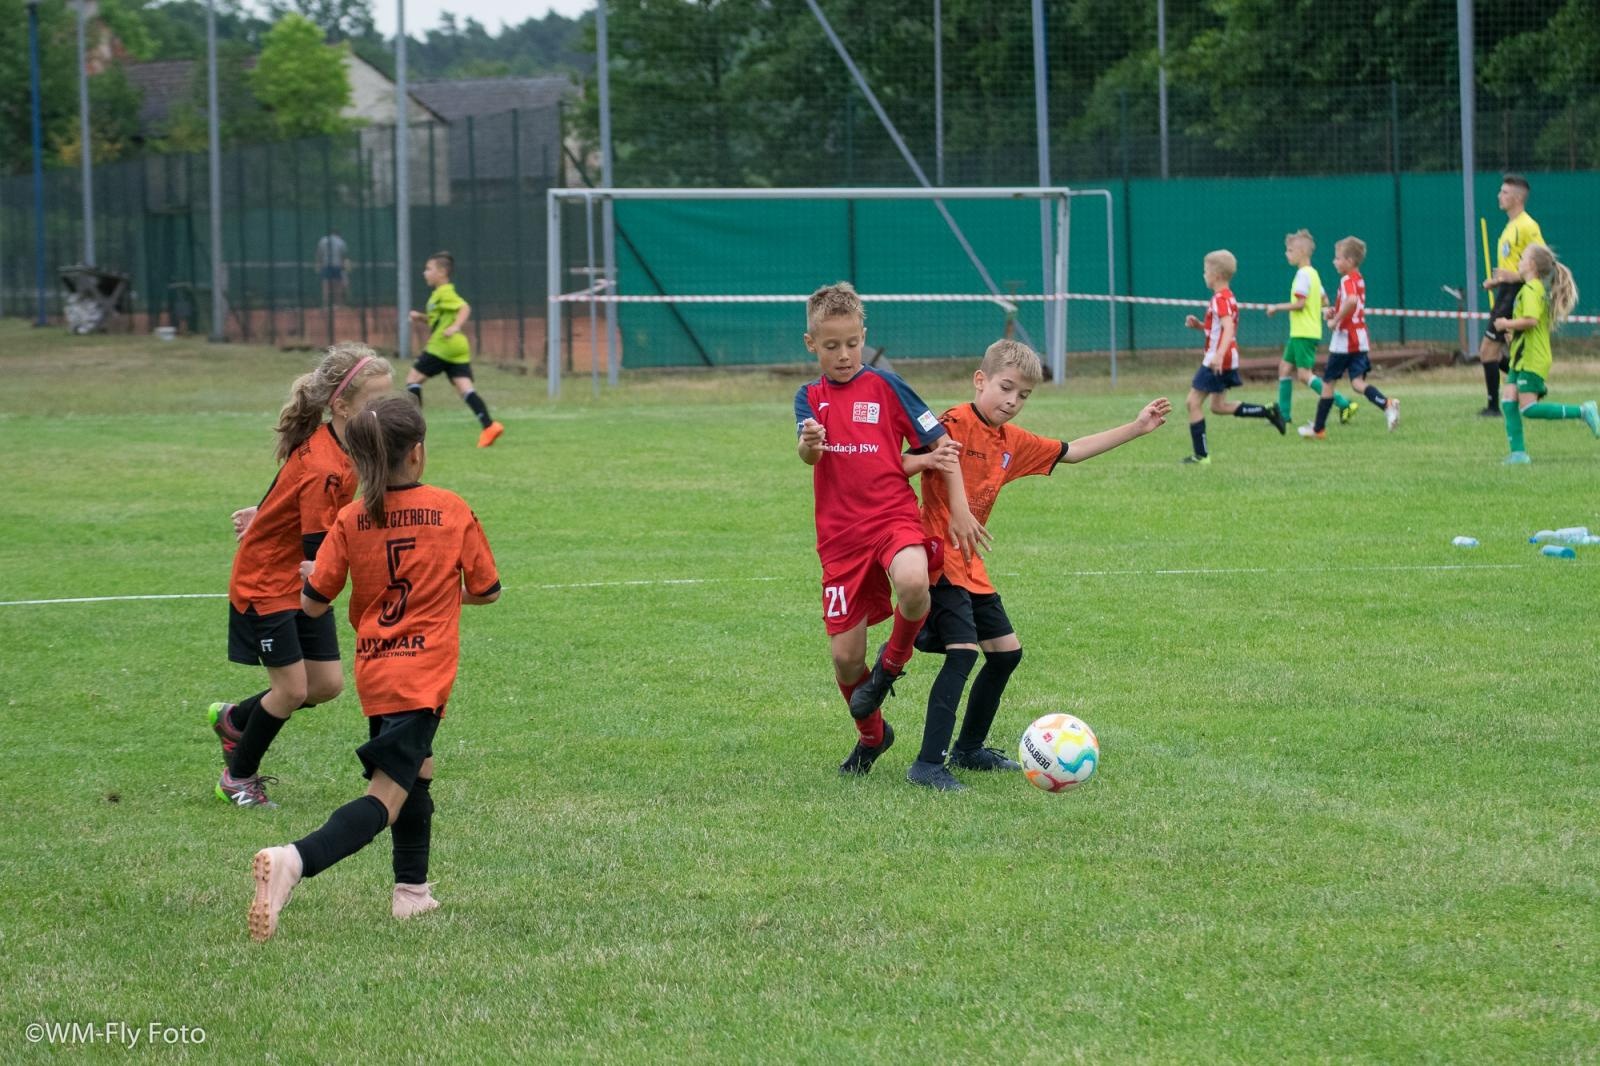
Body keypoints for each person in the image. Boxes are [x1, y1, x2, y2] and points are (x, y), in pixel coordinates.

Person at [248, 396, 501, 940]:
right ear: (417, 453)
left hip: (378, 673)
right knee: (386, 797)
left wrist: (314, 571)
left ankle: (412, 893)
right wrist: (440, 592)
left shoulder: (351, 517)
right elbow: (487, 590)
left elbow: (314, 603)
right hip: (424, 675)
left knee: (417, 774)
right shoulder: (451, 509)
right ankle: (294, 860)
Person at [907, 340, 1170, 791]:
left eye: (1024, 395)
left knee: (1007, 653)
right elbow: (905, 462)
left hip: (971, 566)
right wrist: (936, 478)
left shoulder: (1012, 442)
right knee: (964, 653)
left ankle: (969, 750)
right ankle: (928, 764)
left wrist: (1137, 427)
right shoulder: (952, 421)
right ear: (980, 380)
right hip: (935, 560)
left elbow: (1073, 451)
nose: (1013, 401)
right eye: (1006, 388)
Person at [212, 344, 394, 808]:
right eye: (375, 402)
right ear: (342, 405)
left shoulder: (350, 444)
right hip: (268, 582)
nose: (384, 410)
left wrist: (265, 510)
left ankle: (237, 721)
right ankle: (237, 778)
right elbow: (318, 550)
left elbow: (289, 494)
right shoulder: (325, 465)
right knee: (291, 689)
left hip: (301, 579)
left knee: (326, 686)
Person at [794, 281, 960, 777]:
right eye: (831, 346)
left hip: (892, 518)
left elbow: (940, 444)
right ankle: (874, 734)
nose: (843, 355)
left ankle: (892, 665)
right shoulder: (809, 398)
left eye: (851, 343)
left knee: (912, 580)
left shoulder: (888, 386)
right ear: (811, 345)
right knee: (846, 660)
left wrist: (956, 501)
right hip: (840, 540)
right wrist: (811, 442)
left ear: (863, 334)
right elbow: (807, 457)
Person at [1493, 243, 1597, 463]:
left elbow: (1531, 321)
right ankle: (1518, 454)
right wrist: (1513, 332)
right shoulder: (1533, 288)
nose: (1518, 262)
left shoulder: (1532, 290)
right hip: (1521, 358)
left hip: (1532, 358)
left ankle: (1583, 411)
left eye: (1522, 258)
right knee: (1509, 401)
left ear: (1531, 265)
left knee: (1529, 408)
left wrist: (1505, 324)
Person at [1181, 249, 1286, 465]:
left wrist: (1218, 355)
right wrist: (1200, 326)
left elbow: (1228, 328)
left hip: (1217, 359)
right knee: (1218, 406)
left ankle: (1201, 456)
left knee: (1192, 402)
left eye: (1205, 271)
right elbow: (1220, 328)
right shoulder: (1228, 297)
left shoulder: (1220, 299)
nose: (1204, 275)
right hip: (1228, 357)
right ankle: (1266, 411)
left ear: (1216, 275)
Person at [1299, 236, 1400, 439]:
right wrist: (1335, 311)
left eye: (1338, 258)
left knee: (1328, 384)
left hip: (1345, 340)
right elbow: (1351, 303)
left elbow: (1352, 301)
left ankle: (1318, 429)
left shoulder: (1347, 280)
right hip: (1360, 338)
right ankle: (1386, 404)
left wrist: (1335, 319)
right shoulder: (1359, 278)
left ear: (1350, 261)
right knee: (1356, 383)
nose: (1334, 262)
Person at [406, 251, 505, 448]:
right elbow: (441, 319)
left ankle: (415, 433)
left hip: (443, 345)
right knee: (465, 388)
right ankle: (489, 426)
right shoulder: (438, 294)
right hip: (457, 347)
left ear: (442, 272)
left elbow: (464, 307)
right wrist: (422, 318)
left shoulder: (445, 292)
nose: (425, 273)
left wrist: (456, 326)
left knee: (412, 381)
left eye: (429, 269)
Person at [1265, 229, 1354, 427]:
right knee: (1284, 368)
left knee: (1304, 375)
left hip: (1304, 333)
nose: (1286, 254)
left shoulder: (1303, 275)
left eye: (1289, 250)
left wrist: (1276, 307)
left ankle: (1343, 403)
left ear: (1302, 252)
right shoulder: (1313, 274)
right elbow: (1323, 297)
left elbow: (1300, 304)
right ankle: (1284, 416)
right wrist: (1324, 311)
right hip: (1300, 332)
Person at [1477, 175, 1545, 417]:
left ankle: (1494, 407)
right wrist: (1497, 280)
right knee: (1498, 350)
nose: (1499, 196)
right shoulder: (1510, 227)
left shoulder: (1528, 226)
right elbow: (1514, 265)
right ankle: (1534, 387)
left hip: (1516, 294)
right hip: (1506, 291)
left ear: (1516, 198)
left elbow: (1541, 263)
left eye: (1504, 192)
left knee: (1487, 350)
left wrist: (1512, 278)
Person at [315, 229, 349, 309]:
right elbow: (343, 255)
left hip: (326, 265)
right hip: (337, 266)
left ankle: (325, 304)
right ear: (338, 234)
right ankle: (338, 304)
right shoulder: (341, 241)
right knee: (337, 286)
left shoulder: (323, 240)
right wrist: (344, 266)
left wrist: (318, 264)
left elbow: (319, 253)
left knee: (326, 286)